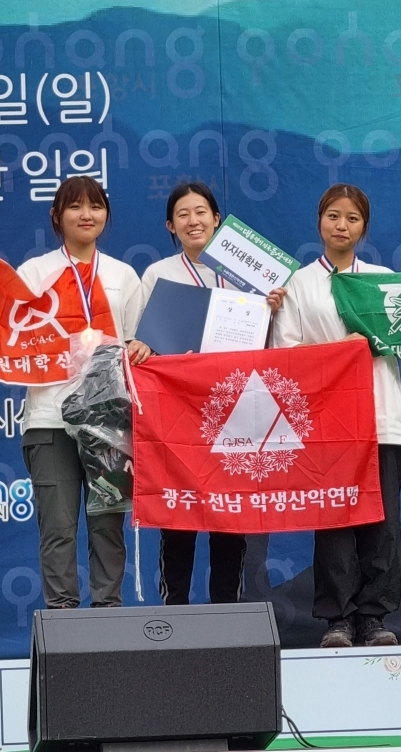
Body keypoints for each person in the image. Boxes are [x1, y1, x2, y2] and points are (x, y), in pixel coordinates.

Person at [0, 175, 150, 610]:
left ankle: (108, 612)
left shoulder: (124, 276)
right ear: (57, 216)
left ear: (106, 214)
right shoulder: (35, 272)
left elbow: (137, 341)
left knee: (107, 525)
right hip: (49, 419)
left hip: (109, 422)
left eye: (96, 206)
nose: (86, 215)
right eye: (75, 206)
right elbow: (7, 328)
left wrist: (141, 346)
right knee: (58, 527)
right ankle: (62, 617)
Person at [273, 183, 401, 647]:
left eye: (352, 218)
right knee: (334, 521)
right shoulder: (298, 283)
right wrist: (340, 351)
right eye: (333, 215)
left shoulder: (383, 280)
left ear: (364, 228)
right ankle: (338, 620)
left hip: (380, 418)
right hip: (326, 423)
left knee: (382, 523)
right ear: (319, 221)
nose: (341, 225)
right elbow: (285, 353)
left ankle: (374, 617)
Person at [140, 182, 286, 605]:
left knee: (230, 515)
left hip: (236, 410)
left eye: (201, 211)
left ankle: (227, 610)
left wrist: (274, 310)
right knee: (179, 513)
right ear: (170, 226)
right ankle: (174, 612)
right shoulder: (158, 275)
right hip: (178, 412)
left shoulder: (253, 278)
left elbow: (273, 347)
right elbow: (142, 343)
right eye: (183, 214)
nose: (194, 221)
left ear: (218, 219)